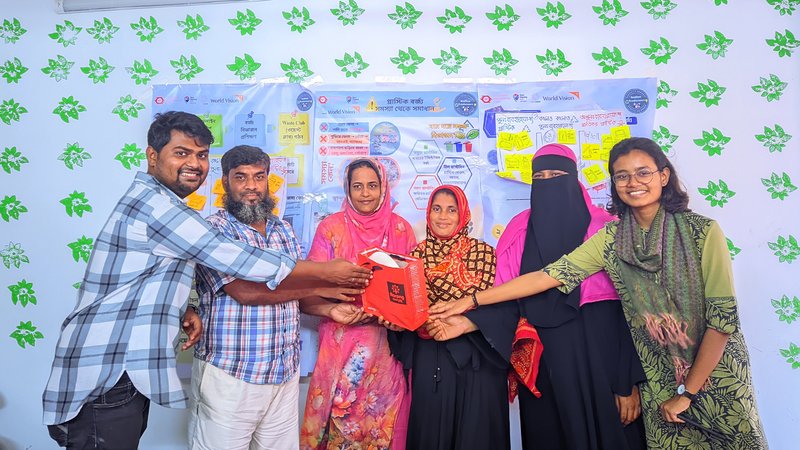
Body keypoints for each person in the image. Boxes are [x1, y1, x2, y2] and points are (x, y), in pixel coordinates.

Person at [42, 112, 370, 449]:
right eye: (181, 153)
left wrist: (182, 310)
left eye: (201, 155)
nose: (195, 163)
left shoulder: (276, 228)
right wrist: (326, 273)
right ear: (152, 156)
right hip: (117, 370)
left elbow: (148, 275)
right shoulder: (164, 209)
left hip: (272, 374)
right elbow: (241, 271)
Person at [430, 137, 769, 449]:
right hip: (609, 371)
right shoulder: (608, 238)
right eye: (622, 176)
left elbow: (715, 320)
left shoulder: (683, 231)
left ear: (664, 176)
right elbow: (545, 278)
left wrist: (638, 383)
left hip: (663, 370)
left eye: (642, 173)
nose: (633, 183)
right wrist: (468, 308)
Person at [188, 146, 365, 449]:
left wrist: (328, 310)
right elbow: (246, 292)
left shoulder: (283, 230)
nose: (251, 187)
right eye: (240, 177)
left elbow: (295, 296)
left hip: (283, 375)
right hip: (231, 376)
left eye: (259, 177)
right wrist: (323, 284)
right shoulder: (214, 231)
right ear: (225, 182)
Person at [496, 144, 645, 450]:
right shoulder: (518, 230)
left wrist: (627, 381)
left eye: (556, 174)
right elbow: (502, 297)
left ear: (574, 178)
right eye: (540, 176)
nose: (548, 181)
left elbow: (629, 316)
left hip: (599, 360)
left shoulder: (604, 228)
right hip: (539, 362)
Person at [300, 158, 417, 450]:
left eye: (372, 186)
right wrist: (333, 307)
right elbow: (306, 294)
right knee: (338, 425)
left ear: (383, 187)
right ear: (347, 190)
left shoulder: (401, 230)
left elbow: (413, 293)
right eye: (358, 186)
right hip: (339, 346)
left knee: (380, 429)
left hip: (385, 350)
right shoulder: (331, 229)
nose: (365, 194)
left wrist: (399, 318)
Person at [389, 185, 515, 450]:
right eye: (437, 209)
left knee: (476, 435)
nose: (443, 217)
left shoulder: (486, 254)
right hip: (431, 358)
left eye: (451, 210)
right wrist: (397, 322)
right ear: (428, 213)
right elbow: (407, 312)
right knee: (432, 433)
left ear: (463, 216)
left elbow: (504, 309)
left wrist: (466, 323)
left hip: (478, 359)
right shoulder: (414, 258)